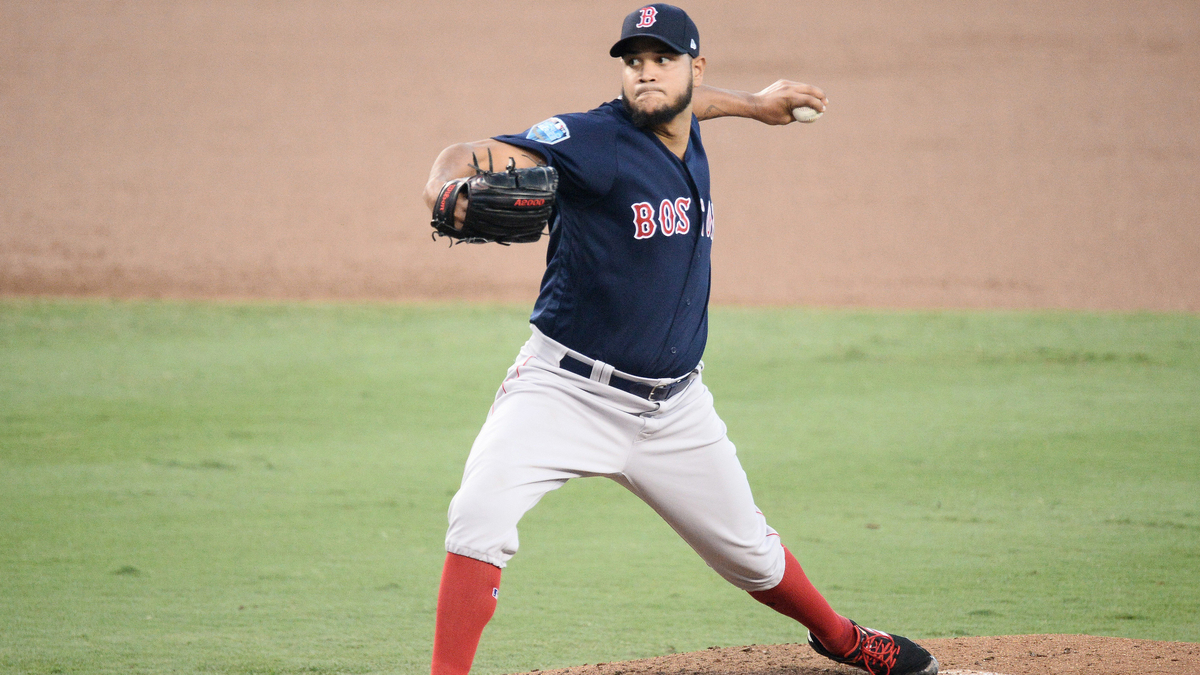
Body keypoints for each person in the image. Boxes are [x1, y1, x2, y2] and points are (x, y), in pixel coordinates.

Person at [421, 5, 938, 675]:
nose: (644, 74)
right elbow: (471, 153)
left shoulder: (685, 120)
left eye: (661, 59)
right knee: (478, 513)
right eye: (633, 62)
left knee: (752, 553)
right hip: (563, 390)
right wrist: (442, 182)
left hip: (674, 409)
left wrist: (756, 104)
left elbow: (694, 107)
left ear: (693, 69)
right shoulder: (593, 141)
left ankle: (843, 638)